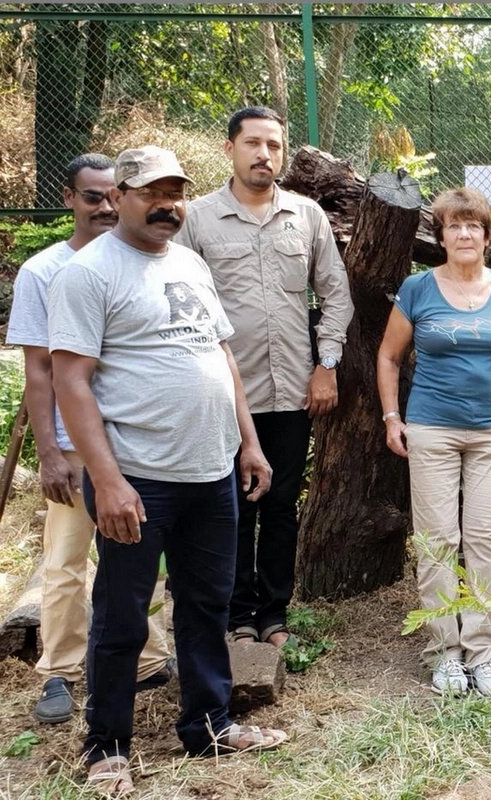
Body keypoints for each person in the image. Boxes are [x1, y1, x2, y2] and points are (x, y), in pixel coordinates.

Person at [48, 146, 288, 794]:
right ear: (117, 197)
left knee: (207, 605)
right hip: (139, 474)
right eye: (153, 191)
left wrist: (250, 443)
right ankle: (107, 748)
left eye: (177, 191)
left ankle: (207, 725)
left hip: (210, 471)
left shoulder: (189, 262)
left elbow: (221, 356)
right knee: (122, 612)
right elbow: (71, 381)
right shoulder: (90, 273)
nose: (169, 204)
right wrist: (110, 480)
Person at [7, 154, 175, 725]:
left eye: (111, 196)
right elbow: (39, 371)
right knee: (67, 559)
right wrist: (49, 452)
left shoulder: (144, 261)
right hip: (75, 447)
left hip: (135, 443)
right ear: (70, 199)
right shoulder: (44, 271)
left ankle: (150, 657)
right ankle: (60, 668)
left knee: (137, 553)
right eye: (91, 197)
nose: (103, 208)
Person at [176, 106, 353, 648]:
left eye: (274, 145)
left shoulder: (306, 215)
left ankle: (275, 615)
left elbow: (335, 292)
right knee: (230, 506)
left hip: (293, 390)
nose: (264, 155)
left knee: (279, 506)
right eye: (253, 143)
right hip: (224, 393)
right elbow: (176, 301)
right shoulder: (197, 219)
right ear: (229, 148)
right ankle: (237, 616)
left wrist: (326, 365)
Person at [376, 187, 491, 697]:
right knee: (439, 540)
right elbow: (388, 358)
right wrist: (390, 418)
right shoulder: (418, 289)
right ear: (440, 235)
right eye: (454, 226)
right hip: (431, 430)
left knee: (487, 542)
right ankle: (444, 653)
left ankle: (485, 654)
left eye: (474, 226)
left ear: (488, 236)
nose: (464, 234)